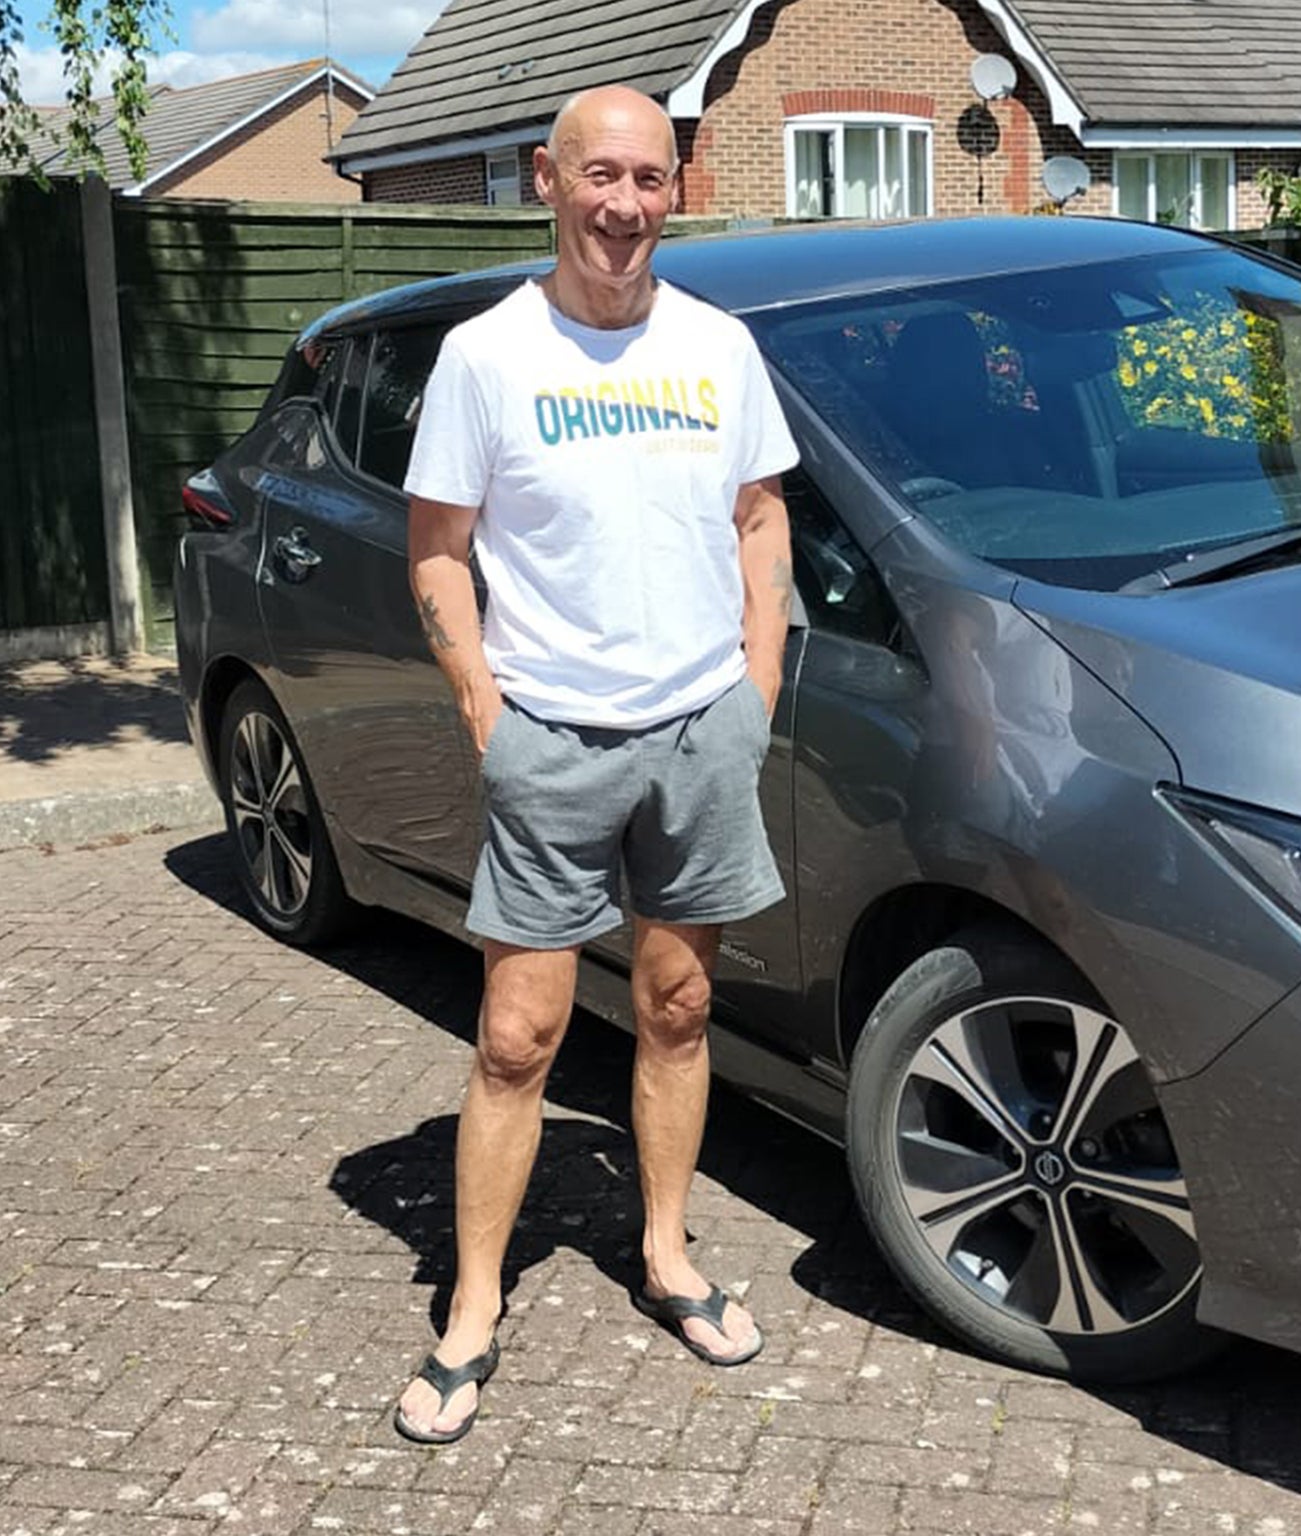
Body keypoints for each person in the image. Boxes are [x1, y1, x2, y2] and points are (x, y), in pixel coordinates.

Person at [393, 84, 797, 1445]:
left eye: (648, 177)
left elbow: (759, 513)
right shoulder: (487, 359)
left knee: (679, 1009)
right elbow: (438, 547)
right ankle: (473, 1306)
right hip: (551, 740)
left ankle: (669, 1253)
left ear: (672, 189)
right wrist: (484, 710)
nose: (625, 203)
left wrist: (758, 687)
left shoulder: (721, 348)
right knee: (519, 1038)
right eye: (599, 176)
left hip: (699, 732)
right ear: (546, 183)